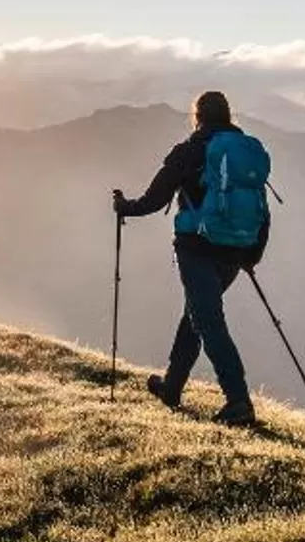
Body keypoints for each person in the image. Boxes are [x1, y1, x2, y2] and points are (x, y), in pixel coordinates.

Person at [113, 90, 268, 428]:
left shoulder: (190, 151)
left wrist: (124, 207)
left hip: (197, 248)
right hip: (236, 250)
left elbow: (154, 199)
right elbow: (261, 207)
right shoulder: (245, 152)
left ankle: (238, 400)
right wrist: (251, 255)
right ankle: (171, 387)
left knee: (208, 320)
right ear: (228, 116)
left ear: (197, 117)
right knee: (196, 314)